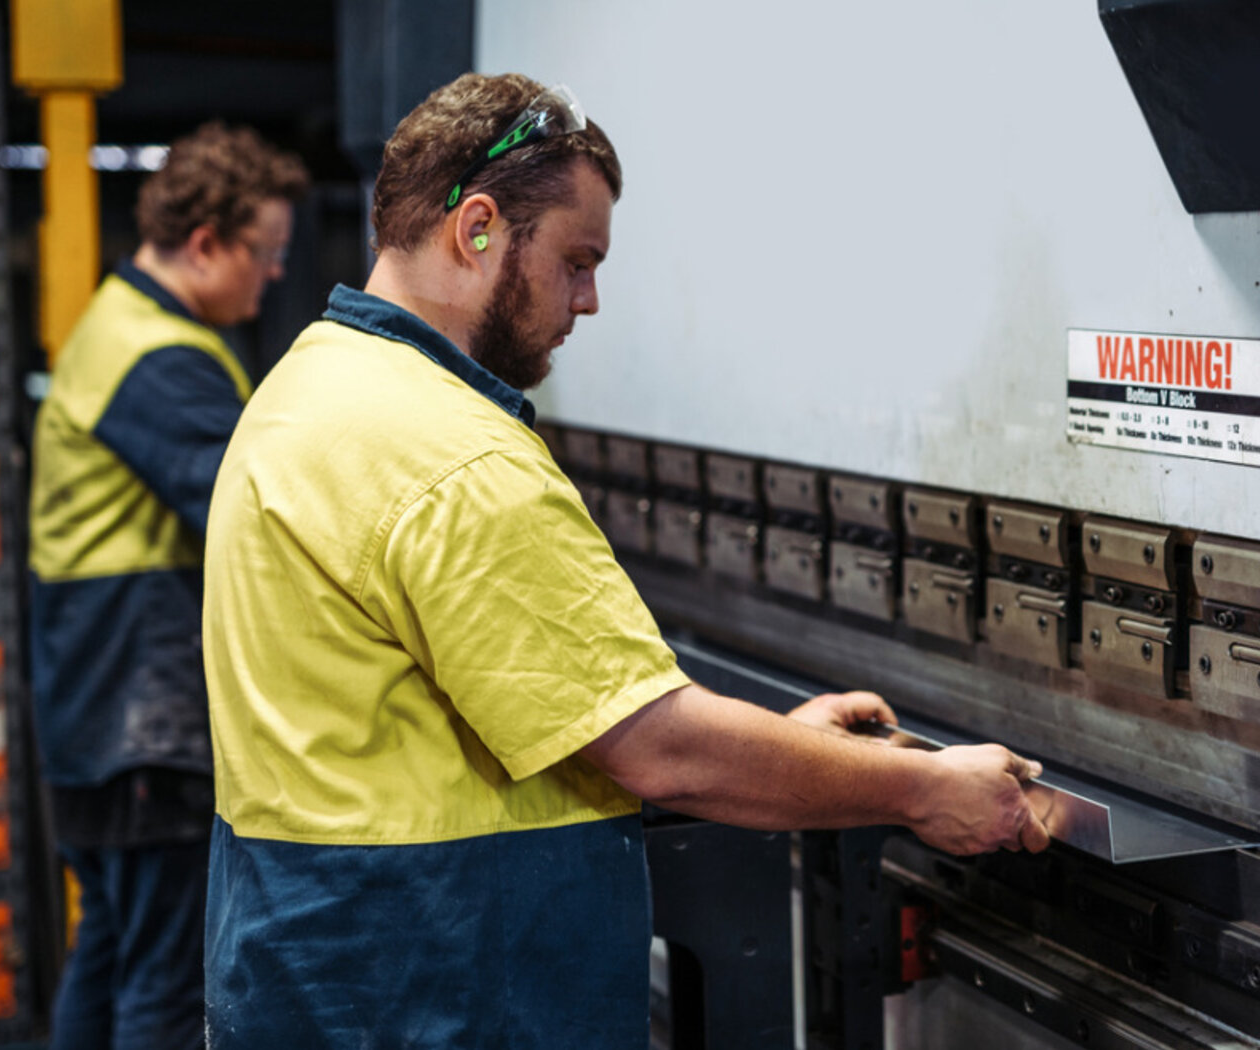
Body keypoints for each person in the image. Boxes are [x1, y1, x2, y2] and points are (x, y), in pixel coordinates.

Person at [201, 72, 1048, 1048]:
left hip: (313, 980)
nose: (591, 300)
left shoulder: (309, 387)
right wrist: (928, 789)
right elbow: (661, 749)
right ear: (477, 229)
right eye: (576, 260)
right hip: (437, 994)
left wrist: (795, 751)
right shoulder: (456, 456)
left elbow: (485, 726)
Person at [28, 121, 307, 1050]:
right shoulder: (165, 360)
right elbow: (257, 516)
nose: (272, 276)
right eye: (264, 254)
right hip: (142, 725)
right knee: (162, 988)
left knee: (107, 958)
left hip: (95, 714)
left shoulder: (121, 324)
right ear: (204, 244)